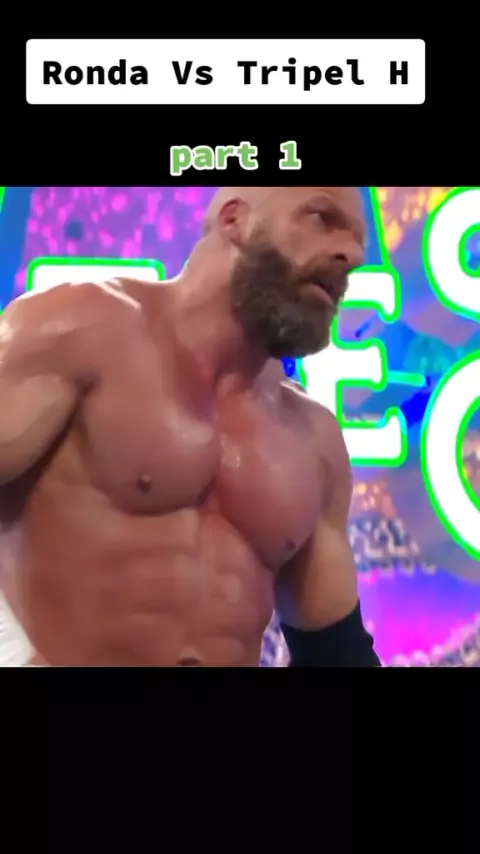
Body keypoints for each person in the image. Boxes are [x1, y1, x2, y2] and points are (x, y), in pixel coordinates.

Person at [0, 186, 381, 667]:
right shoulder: (80, 329)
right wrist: (11, 654)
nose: (352, 255)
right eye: (323, 218)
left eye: (357, 241)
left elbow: (335, 652)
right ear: (233, 220)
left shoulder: (314, 440)